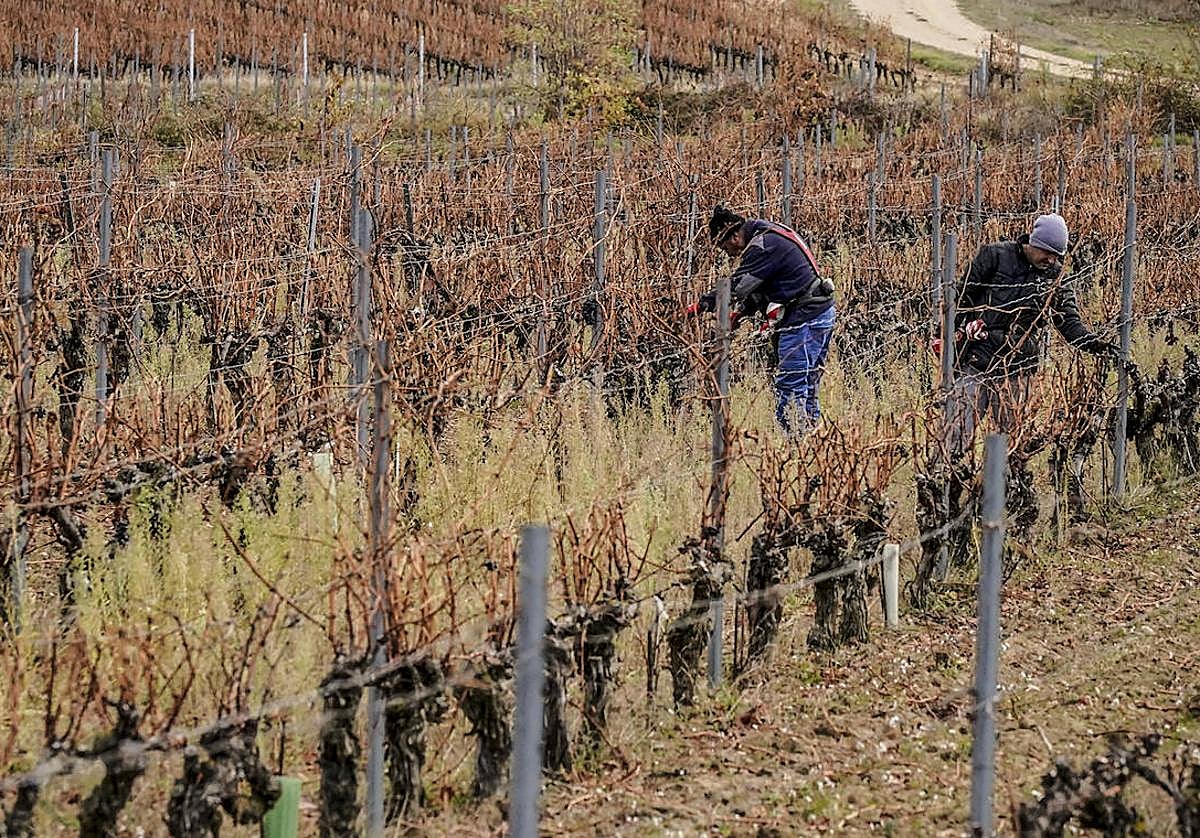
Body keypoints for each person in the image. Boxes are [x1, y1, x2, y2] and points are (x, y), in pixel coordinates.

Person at [944, 212, 1121, 456]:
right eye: (1047, 252)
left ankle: (1004, 490)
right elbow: (961, 299)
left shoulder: (1055, 279)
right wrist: (956, 332)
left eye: (1057, 255)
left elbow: (1069, 323)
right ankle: (947, 482)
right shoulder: (994, 256)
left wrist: (1095, 344)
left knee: (1012, 444)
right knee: (956, 435)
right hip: (977, 360)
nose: (1051, 260)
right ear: (1034, 242)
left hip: (1019, 369)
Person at [696, 205, 836, 434]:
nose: (728, 253)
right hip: (821, 312)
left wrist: (701, 305)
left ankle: (796, 447)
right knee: (808, 383)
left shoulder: (762, 246)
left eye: (724, 247)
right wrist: (740, 313)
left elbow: (739, 286)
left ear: (734, 236)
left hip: (803, 320)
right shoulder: (771, 231)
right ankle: (813, 440)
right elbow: (763, 283)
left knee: (791, 387)